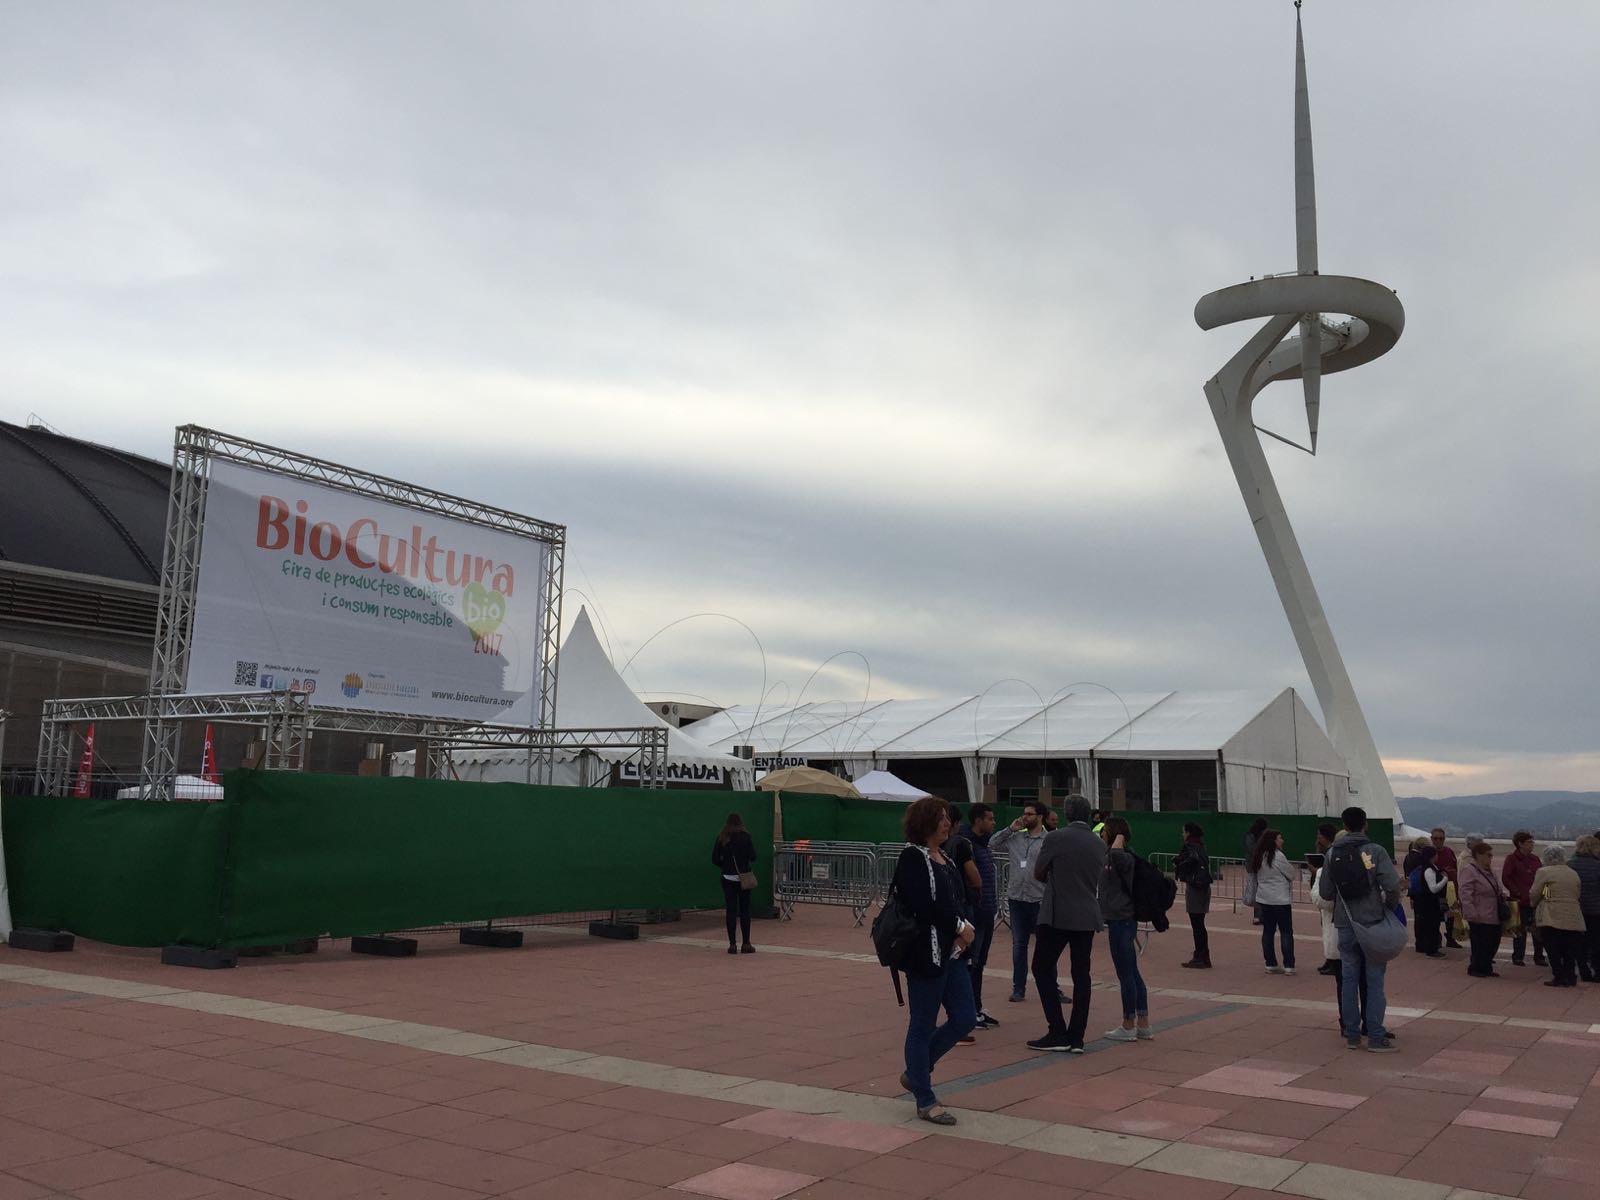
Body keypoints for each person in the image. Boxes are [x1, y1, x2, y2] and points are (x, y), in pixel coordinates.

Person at [892, 795, 977, 1124]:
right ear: (925, 823)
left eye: (947, 818)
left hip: (952, 953)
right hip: (924, 953)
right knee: (923, 1023)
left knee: (965, 1017)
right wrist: (958, 925)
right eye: (941, 818)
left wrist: (964, 927)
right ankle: (925, 1098)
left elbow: (954, 899)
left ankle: (916, 1071)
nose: (947, 823)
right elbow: (921, 905)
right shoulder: (912, 858)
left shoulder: (946, 857)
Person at [1027, 794, 1106, 1053]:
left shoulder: (1055, 838)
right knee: (1081, 975)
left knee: (1041, 967)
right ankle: (1077, 1036)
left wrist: (1055, 878)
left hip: (1058, 913)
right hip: (1086, 914)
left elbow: (1039, 871)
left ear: (1067, 814)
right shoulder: (1098, 843)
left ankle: (1057, 1030)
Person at [1318, 806, 1400, 1052]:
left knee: (1348, 978)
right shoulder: (1376, 851)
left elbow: (1326, 892)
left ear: (1344, 825)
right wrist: (1388, 906)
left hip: (1345, 923)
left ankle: (1352, 1034)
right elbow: (1392, 884)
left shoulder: (1332, 854)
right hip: (1372, 922)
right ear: (1366, 824)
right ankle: (1375, 1035)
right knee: (1374, 981)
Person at [1098, 817, 1151, 1042]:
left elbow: (1117, 855)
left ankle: (1128, 1023)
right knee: (1132, 971)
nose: (1101, 835)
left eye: (1104, 831)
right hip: (1117, 918)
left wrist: (1118, 838)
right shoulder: (1113, 856)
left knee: (1125, 973)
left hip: (1122, 919)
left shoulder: (1123, 857)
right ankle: (1143, 1023)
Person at [990, 800, 1048, 1004]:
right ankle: (1018, 987)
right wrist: (1010, 829)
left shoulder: (1048, 840)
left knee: (1046, 946)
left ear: (1040, 817)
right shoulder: (1015, 838)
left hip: (1039, 898)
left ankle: (1051, 987)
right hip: (1016, 898)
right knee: (1019, 945)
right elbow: (992, 843)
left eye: (1030, 814)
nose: (1025, 817)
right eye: (1024, 814)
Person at [960, 803, 1001, 1029]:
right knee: (971, 963)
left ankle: (976, 1005)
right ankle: (969, 1009)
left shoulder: (983, 845)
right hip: (975, 912)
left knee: (979, 963)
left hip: (986, 911)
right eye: (990, 818)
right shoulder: (967, 845)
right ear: (978, 820)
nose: (993, 822)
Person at [1529, 845, 1585, 988]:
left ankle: (1559, 976)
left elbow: (1537, 893)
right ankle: (1571, 976)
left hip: (1552, 914)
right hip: (1573, 913)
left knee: (1552, 947)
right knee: (1569, 949)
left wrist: (1535, 904)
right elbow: (1577, 893)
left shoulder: (1544, 872)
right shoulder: (1573, 873)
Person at [1250, 828, 1297, 974]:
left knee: (1268, 931)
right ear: (1273, 841)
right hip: (1280, 899)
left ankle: (1270, 963)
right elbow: (1291, 873)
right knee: (1286, 931)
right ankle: (1288, 964)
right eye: (1279, 838)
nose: (1282, 841)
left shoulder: (1259, 856)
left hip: (1264, 898)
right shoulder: (1278, 856)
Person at [1458, 840, 1508, 978]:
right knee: (1480, 943)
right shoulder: (1469, 870)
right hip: (1479, 913)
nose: (1491, 858)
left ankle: (1486, 967)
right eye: (1488, 855)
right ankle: (1476, 967)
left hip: (1493, 913)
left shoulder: (1489, 871)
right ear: (1478, 855)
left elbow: (1497, 886)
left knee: (1493, 941)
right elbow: (1465, 892)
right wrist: (1471, 912)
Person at [711, 813, 757, 955]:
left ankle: (732, 944)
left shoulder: (722, 837)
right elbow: (754, 856)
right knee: (745, 911)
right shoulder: (746, 837)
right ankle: (746, 943)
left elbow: (714, 858)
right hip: (743, 878)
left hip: (727, 877)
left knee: (731, 911)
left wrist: (725, 866)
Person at [1501, 831, 1545, 967]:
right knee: (1520, 929)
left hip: (1536, 900)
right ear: (1520, 843)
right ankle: (1518, 956)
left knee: (1538, 929)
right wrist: (1517, 892)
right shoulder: (1512, 859)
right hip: (1520, 901)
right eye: (1529, 842)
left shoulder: (1535, 859)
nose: (1532, 844)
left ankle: (1539, 956)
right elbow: (1506, 878)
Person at [1175, 822, 1211, 969]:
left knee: (1197, 923)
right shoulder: (1201, 846)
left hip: (1195, 886)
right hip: (1203, 886)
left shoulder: (1190, 846)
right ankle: (1203, 955)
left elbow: (1191, 860)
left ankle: (1200, 956)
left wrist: (1179, 864)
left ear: (1188, 833)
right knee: (1200, 923)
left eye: (1184, 832)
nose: (1182, 835)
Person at [1408, 846, 1448, 958]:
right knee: (1431, 926)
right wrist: (1445, 879)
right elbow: (1433, 888)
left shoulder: (1428, 867)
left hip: (1427, 902)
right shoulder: (1429, 869)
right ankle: (1431, 949)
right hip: (1429, 903)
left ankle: (1430, 947)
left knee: (1431, 925)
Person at [1571, 835, 1600, 983]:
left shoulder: (1570, 864)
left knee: (1579, 943)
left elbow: (1548, 888)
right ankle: (1598, 971)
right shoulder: (1597, 866)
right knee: (1596, 942)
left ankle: (1583, 970)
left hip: (1576, 909)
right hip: (1596, 909)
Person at [1430, 829, 1463, 949]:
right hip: (1436, 889)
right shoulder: (1429, 853)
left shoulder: (1449, 852)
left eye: (1441, 838)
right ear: (1431, 839)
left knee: (1451, 914)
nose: (1438, 841)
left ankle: (1451, 938)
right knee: (1436, 916)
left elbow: (1455, 869)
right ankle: (1436, 939)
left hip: (1450, 889)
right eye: (1435, 838)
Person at [1244, 817, 1268, 925]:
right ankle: (1257, 915)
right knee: (1256, 891)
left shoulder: (1261, 837)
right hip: (1254, 866)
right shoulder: (1251, 836)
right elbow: (1251, 849)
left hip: (1263, 865)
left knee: (1262, 891)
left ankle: (1263, 915)